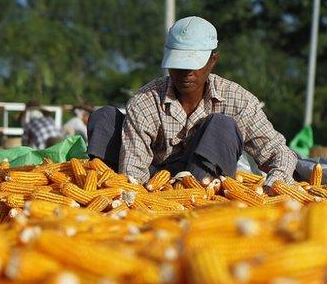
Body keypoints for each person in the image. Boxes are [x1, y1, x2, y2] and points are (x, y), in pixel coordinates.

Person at [86, 16, 297, 188]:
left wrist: (275, 183)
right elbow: (132, 173)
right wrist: (139, 198)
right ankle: (101, 190)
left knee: (221, 125)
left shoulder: (238, 100)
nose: (186, 73)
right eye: (179, 64)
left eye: (193, 64)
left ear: (213, 60)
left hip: (204, 183)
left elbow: (280, 153)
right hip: (152, 183)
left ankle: (201, 203)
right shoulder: (144, 102)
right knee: (104, 117)